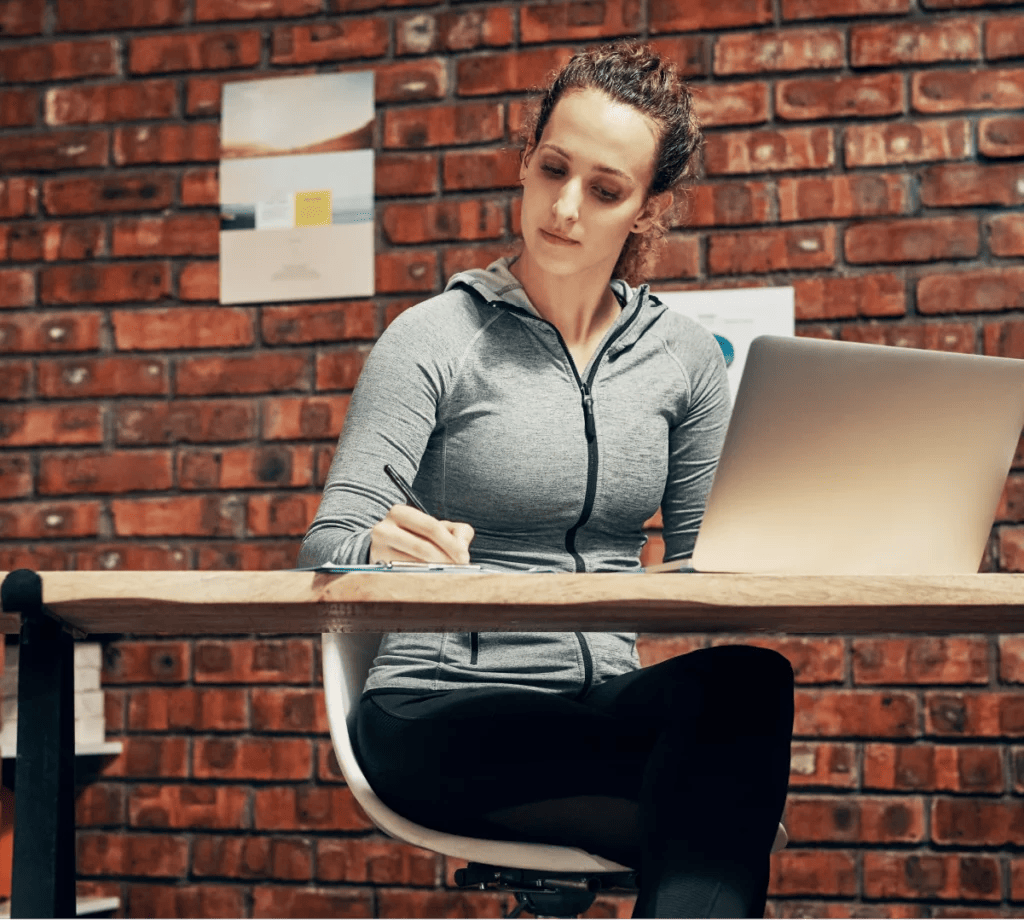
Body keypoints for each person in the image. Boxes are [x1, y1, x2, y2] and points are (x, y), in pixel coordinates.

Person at [299, 40, 794, 920]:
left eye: (605, 190)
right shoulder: (435, 337)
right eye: (552, 169)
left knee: (748, 685)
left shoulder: (683, 359)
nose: (564, 208)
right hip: (439, 709)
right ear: (525, 164)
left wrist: (798, 536)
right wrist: (373, 541)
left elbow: (711, 572)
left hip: (598, 702)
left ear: (647, 210)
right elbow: (328, 540)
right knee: (717, 809)